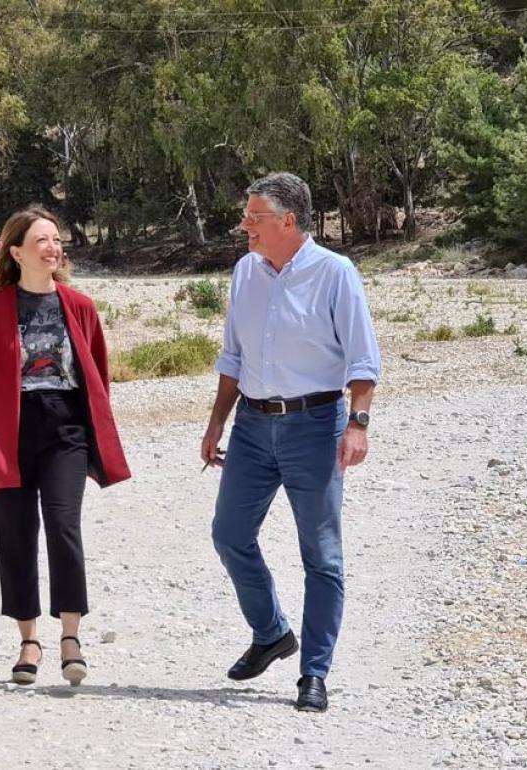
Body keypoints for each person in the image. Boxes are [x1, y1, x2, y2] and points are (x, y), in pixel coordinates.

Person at [201, 172, 381, 712]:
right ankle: (271, 632)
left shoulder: (335, 273)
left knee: (321, 555)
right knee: (230, 535)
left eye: (254, 218)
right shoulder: (244, 272)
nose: (245, 227)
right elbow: (233, 357)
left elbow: (363, 359)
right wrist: (215, 423)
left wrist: (358, 423)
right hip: (252, 427)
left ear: (288, 221)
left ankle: (314, 673)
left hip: (316, 426)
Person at [0, 206, 130, 686]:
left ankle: (70, 637)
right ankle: (28, 639)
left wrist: (96, 431)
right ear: (16, 252)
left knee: (62, 524)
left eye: (57, 240)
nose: (53, 247)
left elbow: (96, 372)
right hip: (9, 429)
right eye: (41, 240)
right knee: (14, 533)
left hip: (65, 430)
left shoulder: (80, 305)